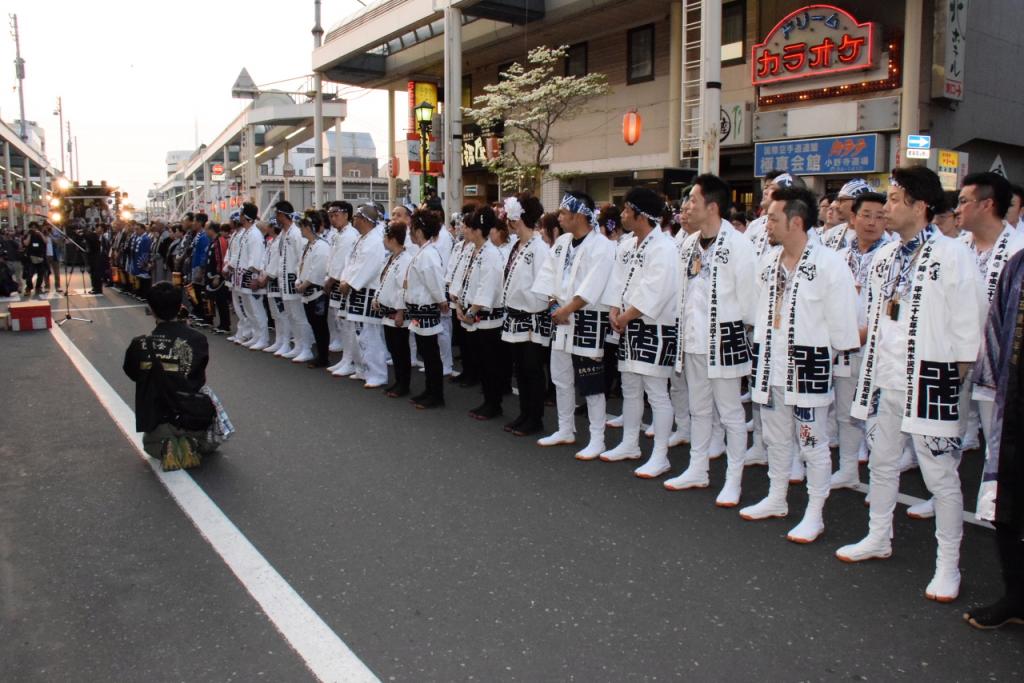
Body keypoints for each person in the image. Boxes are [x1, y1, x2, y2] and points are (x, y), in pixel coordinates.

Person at [836, 166, 980, 604]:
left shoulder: (953, 254)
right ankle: (879, 535)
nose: (886, 207)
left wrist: (949, 383)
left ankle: (947, 564)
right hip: (886, 378)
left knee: (941, 476)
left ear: (920, 206)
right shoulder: (885, 256)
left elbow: (969, 327)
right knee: (880, 462)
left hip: (931, 380)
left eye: (895, 199)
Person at [739, 186, 860, 542]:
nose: (767, 225)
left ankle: (814, 511)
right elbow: (755, 312)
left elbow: (843, 325)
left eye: (773, 218)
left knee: (812, 440)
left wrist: (831, 359)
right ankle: (777, 497)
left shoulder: (828, 264)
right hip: (771, 362)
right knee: (776, 437)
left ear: (795, 221)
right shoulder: (768, 262)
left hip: (807, 365)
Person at [664, 174, 757, 506]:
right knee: (698, 408)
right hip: (693, 339)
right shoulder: (689, 244)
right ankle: (697, 468)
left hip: (725, 341)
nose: (687, 206)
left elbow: (749, 303)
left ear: (712, 207)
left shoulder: (739, 245)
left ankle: (734, 480)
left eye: (693, 200)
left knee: (731, 413)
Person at [602, 187, 679, 477]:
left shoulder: (665, 247)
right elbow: (617, 282)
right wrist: (614, 310)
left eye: (626, 210)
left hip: (655, 326)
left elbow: (655, 291)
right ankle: (630, 443)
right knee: (630, 387)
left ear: (641, 215)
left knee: (657, 392)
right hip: (628, 324)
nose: (622, 214)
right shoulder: (626, 245)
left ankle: (661, 455)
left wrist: (624, 315)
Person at [966, 247, 1024, 628]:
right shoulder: (1018, 264)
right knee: (1009, 506)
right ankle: (1016, 596)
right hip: (1016, 399)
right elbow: (997, 324)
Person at [533, 192, 615, 458]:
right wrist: (555, 306)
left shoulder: (601, 245)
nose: (560, 217)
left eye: (564, 213)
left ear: (579, 215)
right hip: (561, 317)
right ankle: (565, 428)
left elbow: (594, 283)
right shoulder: (563, 242)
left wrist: (567, 308)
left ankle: (598, 438)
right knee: (561, 377)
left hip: (587, 317)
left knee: (591, 380)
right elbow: (547, 275)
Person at [830, 192, 892, 489]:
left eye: (880, 216)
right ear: (852, 218)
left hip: (878, 349)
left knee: (879, 416)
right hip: (844, 347)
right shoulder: (839, 256)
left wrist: (863, 332)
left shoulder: (893, 254)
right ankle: (848, 469)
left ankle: (881, 483)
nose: (872, 222)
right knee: (846, 412)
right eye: (866, 215)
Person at [122, 281, 215, 471]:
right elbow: (198, 375)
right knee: (211, 442)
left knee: (150, 445)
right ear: (180, 306)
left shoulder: (139, 345)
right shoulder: (197, 339)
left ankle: (167, 445)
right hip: (192, 416)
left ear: (151, 309)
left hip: (157, 419)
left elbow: (133, 373)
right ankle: (192, 443)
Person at [499, 194, 551, 435]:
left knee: (532, 370)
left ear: (518, 219)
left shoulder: (539, 248)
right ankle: (524, 413)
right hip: (514, 316)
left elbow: (543, 287)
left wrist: (532, 307)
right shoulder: (517, 245)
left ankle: (535, 417)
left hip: (531, 318)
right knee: (520, 370)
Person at [456, 206, 507, 419]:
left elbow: (488, 286)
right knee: (481, 360)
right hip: (470, 312)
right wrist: (459, 303)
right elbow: (462, 278)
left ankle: (494, 403)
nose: (465, 230)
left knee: (490, 363)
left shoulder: (491, 253)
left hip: (486, 316)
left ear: (478, 230)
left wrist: (472, 309)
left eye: (470, 227)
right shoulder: (471, 250)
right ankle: (487, 400)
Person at [339, 203, 388, 388]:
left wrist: (350, 282)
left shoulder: (375, 240)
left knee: (370, 335)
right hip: (356, 290)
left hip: (367, 291)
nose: (353, 221)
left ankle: (377, 373)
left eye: (356, 218)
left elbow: (369, 267)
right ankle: (363, 368)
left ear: (365, 219)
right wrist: (345, 279)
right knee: (359, 333)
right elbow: (349, 262)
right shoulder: (361, 238)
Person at [405, 209, 448, 409]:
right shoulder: (423, 251)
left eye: (412, 229)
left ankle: (436, 393)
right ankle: (429, 390)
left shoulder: (428, 254)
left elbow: (434, 281)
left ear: (420, 231)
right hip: (418, 309)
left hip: (426, 308)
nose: (410, 233)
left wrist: (441, 300)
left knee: (430, 353)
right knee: (425, 350)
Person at [374, 221, 414, 396]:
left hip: (397, 313)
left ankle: (403, 384)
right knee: (393, 348)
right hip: (386, 310)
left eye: (385, 237)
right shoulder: (390, 258)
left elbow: (403, 288)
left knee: (401, 350)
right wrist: (376, 298)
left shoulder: (405, 260)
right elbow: (381, 281)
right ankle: (398, 381)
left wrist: (400, 312)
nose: (383, 240)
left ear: (393, 239)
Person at [295, 211, 332, 368]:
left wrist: (305, 284)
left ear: (310, 227)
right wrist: (299, 280)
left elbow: (318, 269)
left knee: (320, 325)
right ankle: (320, 355)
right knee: (313, 323)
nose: (301, 230)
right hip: (307, 290)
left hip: (317, 292)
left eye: (303, 226)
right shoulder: (307, 245)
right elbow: (301, 266)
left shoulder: (322, 246)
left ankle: (323, 357)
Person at [822, 179, 871, 250]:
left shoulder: (876, 235)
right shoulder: (830, 234)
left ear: (857, 201)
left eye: (841, 200)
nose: (837, 206)